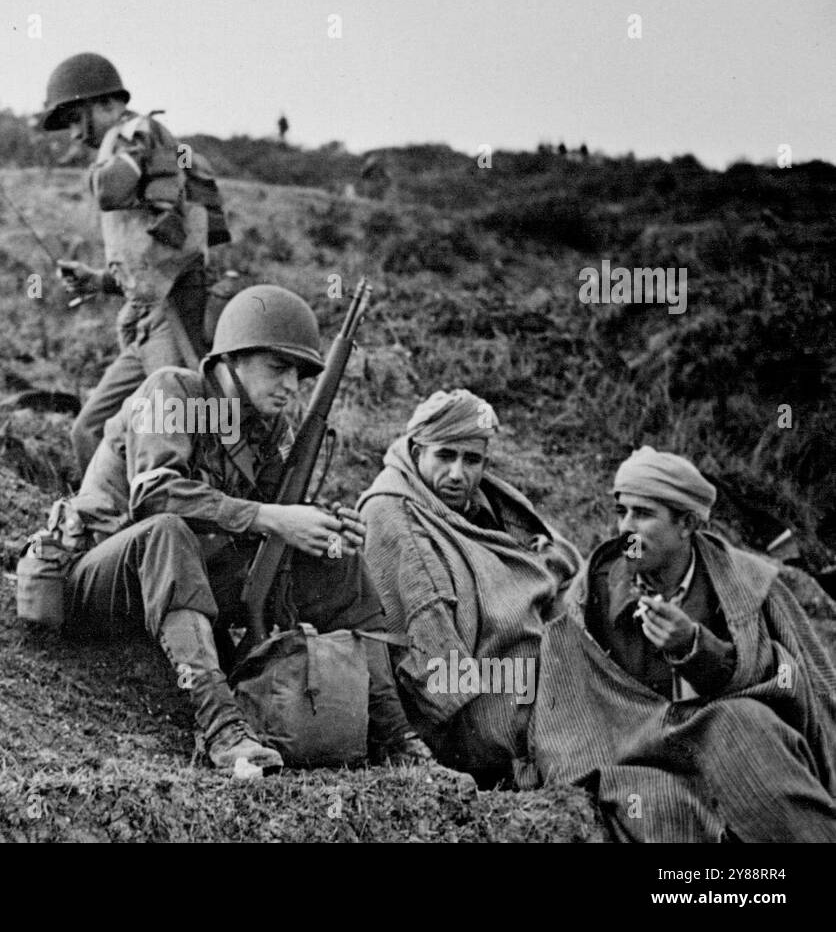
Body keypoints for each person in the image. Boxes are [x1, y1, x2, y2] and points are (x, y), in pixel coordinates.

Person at [61, 285, 414, 772]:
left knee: (336, 559)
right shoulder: (175, 391)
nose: (291, 385)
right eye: (277, 367)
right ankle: (222, 728)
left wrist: (320, 525)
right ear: (233, 359)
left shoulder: (271, 431)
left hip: (184, 585)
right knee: (167, 531)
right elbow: (154, 497)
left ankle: (398, 740)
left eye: (299, 374)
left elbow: (267, 529)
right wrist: (273, 518)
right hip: (106, 580)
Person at [531, 447, 836, 841]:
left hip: (736, 748)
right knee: (661, 810)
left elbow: (783, 681)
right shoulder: (594, 596)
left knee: (744, 727)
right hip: (641, 754)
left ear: (687, 523)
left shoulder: (745, 587)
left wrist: (694, 648)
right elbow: (575, 701)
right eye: (622, 511)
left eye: (642, 514)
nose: (626, 528)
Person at [358, 389, 581, 786]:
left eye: (472, 460)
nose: (459, 473)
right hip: (463, 711)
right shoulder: (390, 513)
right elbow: (440, 669)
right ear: (416, 450)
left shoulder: (485, 502)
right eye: (445, 456)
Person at [38, 52, 216, 471]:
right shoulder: (135, 144)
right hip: (145, 321)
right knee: (89, 430)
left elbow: (109, 189)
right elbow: (152, 261)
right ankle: (96, 524)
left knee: (175, 439)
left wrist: (106, 157)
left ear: (106, 105)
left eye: (76, 118)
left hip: (170, 319)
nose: (74, 134)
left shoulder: (136, 131)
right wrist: (100, 281)